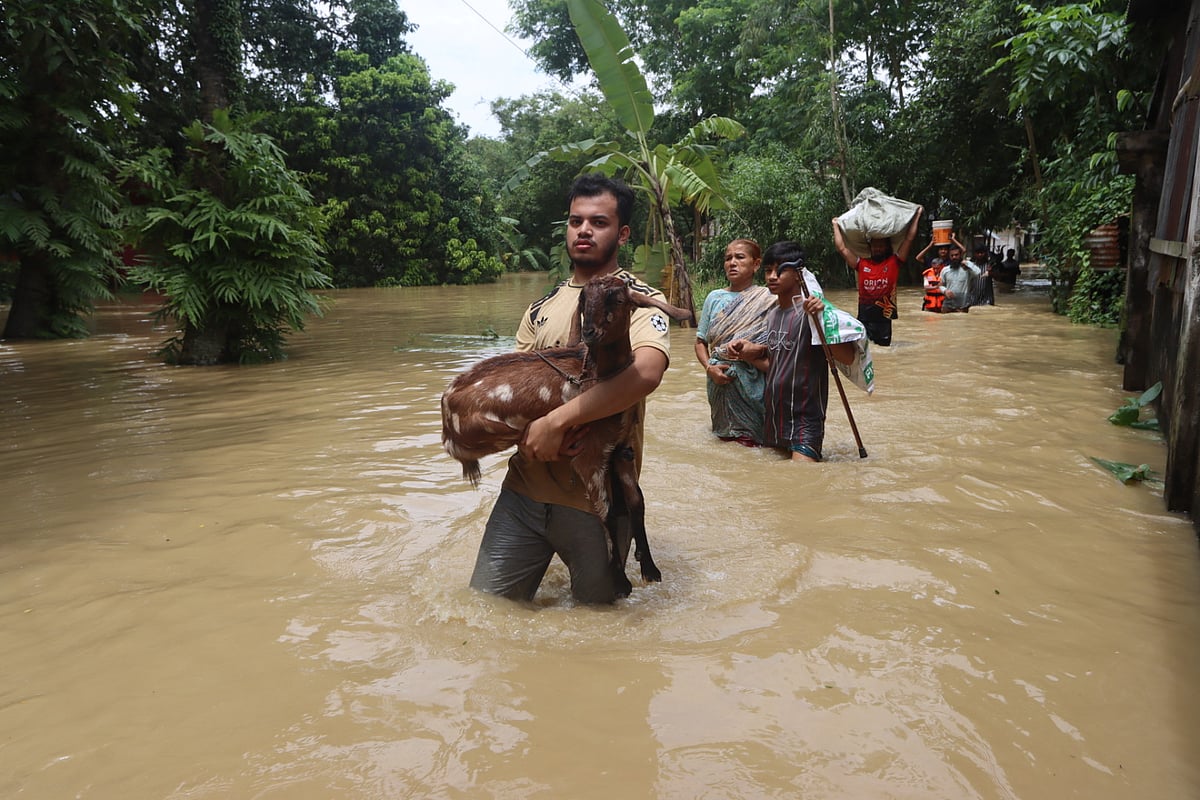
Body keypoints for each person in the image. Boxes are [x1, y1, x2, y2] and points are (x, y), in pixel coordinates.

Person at [468, 175, 675, 605]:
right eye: (575, 220)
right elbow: (516, 389)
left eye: (598, 221)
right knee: (485, 608)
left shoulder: (637, 298)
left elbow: (647, 373)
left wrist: (558, 421)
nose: (584, 230)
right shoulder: (540, 307)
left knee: (600, 635)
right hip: (524, 492)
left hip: (596, 503)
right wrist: (524, 438)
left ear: (622, 234)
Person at [726, 242, 855, 462]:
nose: (772, 277)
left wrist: (823, 320)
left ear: (798, 274)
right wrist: (747, 353)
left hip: (805, 420)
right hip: (775, 419)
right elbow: (775, 365)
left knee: (801, 481)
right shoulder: (773, 314)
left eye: (780, 270)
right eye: (768, 271)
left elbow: (848, 357)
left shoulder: (813, 312)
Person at [694, 239, 776, 445]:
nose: (732, 263)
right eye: (728, 258)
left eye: (739, 257)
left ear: (756, 264)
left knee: (753, 443)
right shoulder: (714, 298)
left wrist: (753, 350)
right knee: (723, 439)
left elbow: (777, 345)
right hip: (718, 380)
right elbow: (700, 341)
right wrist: (708, 368)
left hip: (753, 381)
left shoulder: (769, 298)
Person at [832, 206, 922, 346]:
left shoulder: (894, 262)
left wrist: (917, 215)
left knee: (884, 351)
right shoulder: (861, 264)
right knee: (864, 351)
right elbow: (842, 249)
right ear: (870, 248)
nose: (878, 248)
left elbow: (908, 239)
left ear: (887, 247)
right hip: (864, 318)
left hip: (884, 318)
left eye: (881, 246)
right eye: (875, 246)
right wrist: (835, 226)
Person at [939, 244, 979, 312]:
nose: (954, 257)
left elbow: (978, 273)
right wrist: (945, 291)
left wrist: (968, 264)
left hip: (963, 305)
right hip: (948, 305)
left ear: (960, 255)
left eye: (956, 255)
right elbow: (940, 285)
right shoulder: (945, 270)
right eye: (952, 255)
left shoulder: (967, 269)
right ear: (949, 256)